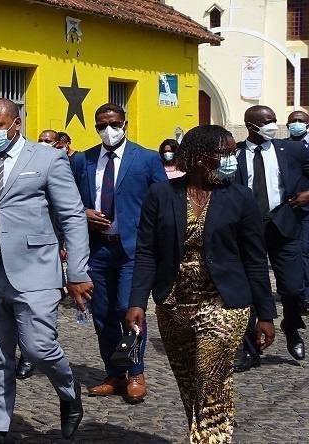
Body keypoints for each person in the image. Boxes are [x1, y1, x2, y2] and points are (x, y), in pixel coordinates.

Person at [0, 98, 93, 443]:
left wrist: (77, 271)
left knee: (39, 348)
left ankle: (69, 390)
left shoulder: (47, 158)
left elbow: (72, 216)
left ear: (15, 123)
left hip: (36, 268)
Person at [126, 125, 276, 443]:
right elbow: (146, 252)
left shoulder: (240, 197)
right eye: (225, 153)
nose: (232, 159)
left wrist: (265, 314)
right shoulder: (161, 194)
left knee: (211, 380)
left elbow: (255, 259)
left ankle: (209, 439)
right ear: (199, 157)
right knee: (189, 383)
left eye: (234, 153)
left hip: (224, 304)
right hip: (174, 304)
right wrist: (137, 301)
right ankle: (205, 434)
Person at [70, 103, 167, 403]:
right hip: (97, 249)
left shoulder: (146, 159)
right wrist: (83, 213)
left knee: (128, 309)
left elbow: (162, 202)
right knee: (101, 314)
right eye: (101, 125)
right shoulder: (83, 160)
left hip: (132, 249)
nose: (108, 130)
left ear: (124, 123)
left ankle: (135, 372)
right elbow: (68, 199)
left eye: (113, 123)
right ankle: (114, 372)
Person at [233, 105, 309, 370]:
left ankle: (291, 326)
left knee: (293, 287)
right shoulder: (235, 153)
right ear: (250, 125)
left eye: (274, 120)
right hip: (247, 228)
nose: (272, 126)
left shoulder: (292, 150)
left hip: (283, 224)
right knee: (251, 289)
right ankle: (250, 348)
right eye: (266, 122)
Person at [285, 110, 309, 324]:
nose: (297, 124)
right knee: (294, 253)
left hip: (307, 208)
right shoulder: (282, 147)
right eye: (293, 121)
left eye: (301, 121)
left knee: (305, 251)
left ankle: (305, 296)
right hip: (288, 209)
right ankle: (298, 296)